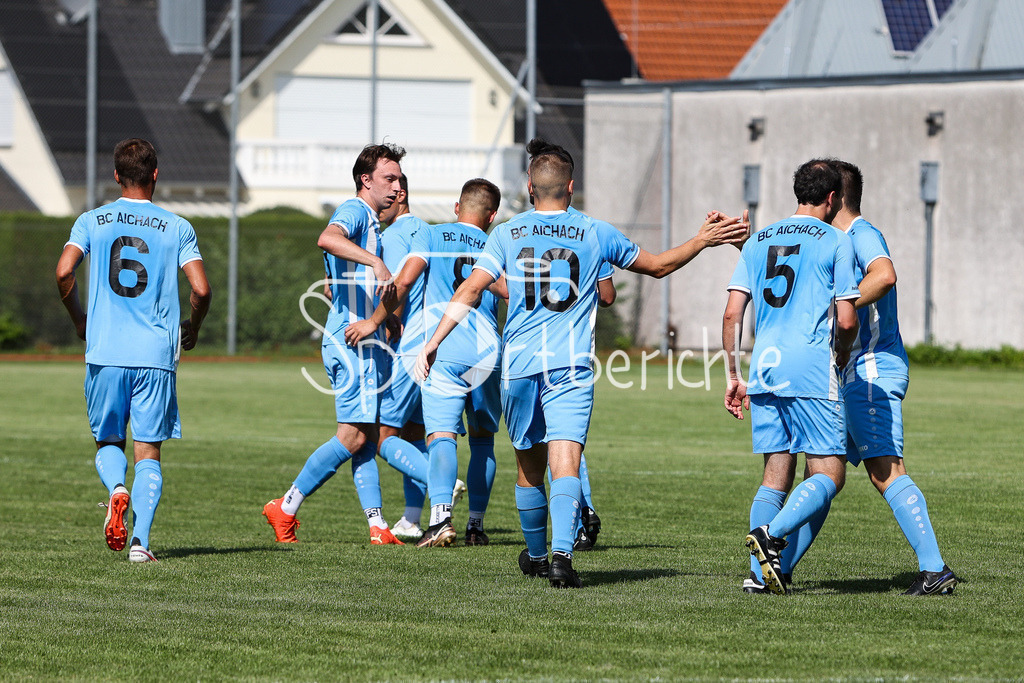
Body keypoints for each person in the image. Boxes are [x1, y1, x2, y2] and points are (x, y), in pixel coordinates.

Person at [416, 138, 749, 588]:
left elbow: (471, 290)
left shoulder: (506, 233)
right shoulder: (595, 231)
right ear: (571, 187)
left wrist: (434, 340)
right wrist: (702, 240)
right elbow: (657, 267)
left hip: (518, 365)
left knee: (529, 468)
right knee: (566, 461)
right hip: (570, 365)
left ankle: (536, 555)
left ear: (530, 189)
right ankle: (559, 556)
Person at [779, 161, 957, 595]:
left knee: (885, 469)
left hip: (872, 368)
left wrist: (840, 304)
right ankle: (777, 570)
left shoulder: (861, 234)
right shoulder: (835, 241)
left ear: (834, 197)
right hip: (846, 372)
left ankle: (935, 571)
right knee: (822, 471)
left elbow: (885, 274)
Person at [55, 137, 212, 563]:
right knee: (149, 451)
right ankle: (140, 544)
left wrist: (79, 320)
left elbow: (64, 271)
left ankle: (116, 490)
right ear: (155, 174)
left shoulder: (92, 220)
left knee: (108, 441)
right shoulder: (177, 226)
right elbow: (200, 289)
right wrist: (192, 327)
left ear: (116, 176)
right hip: (155, 355)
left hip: (105, 350)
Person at [723, 159, 860, 595]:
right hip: (810, 368)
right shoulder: (837, 241)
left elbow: (731, 313)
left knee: (774, 476)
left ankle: (758, 575)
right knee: (829, 474)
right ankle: (772, 536)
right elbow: (846, 319)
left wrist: (734, 375)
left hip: (765, 367)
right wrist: (839, 356)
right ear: (833, 197)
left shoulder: (757, 239)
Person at [347, 178, 506, 548]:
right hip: (487, 351)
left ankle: (440, 520)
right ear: (492, 216)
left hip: (445, 346)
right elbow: (511, 292)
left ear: (456, 207)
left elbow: (404, 282)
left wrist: (373, 321)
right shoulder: (498, 243)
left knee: (440, 437)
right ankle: (476, 527)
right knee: (483, 442)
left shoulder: (431, 235)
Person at [262, 143, 404, 545]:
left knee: (364, 436)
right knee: (353, 436)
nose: (397, 187)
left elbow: (333, 284)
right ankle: (285, 507)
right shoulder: (355, 211)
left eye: (397, 179)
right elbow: (327, 238)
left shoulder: (372, 222)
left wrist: (382, 315)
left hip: (363, 337)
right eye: (389, 178)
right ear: (366, 180)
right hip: (350, 340)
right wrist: (376, 264)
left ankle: (378, 527)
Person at [373, 174, 464, 542]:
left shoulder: (397, 234)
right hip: (436, 347)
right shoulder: (427, 230)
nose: (377, 204)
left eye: (383, 195)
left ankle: (441, 481)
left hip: (410, 347)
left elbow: (399, 288)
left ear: (400, 195)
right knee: (413, 434)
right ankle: (411, 518)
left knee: (381, 436)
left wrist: (375, 321)